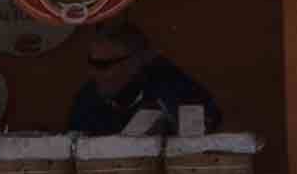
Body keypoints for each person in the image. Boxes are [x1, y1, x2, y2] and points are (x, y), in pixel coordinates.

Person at [66, 18, 219, 139]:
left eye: (104, 65)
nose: (93, 73)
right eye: (91, 63)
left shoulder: (173, 87)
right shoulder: (86, 100)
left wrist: (173, 127)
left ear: (136, 61)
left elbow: (201, 134)